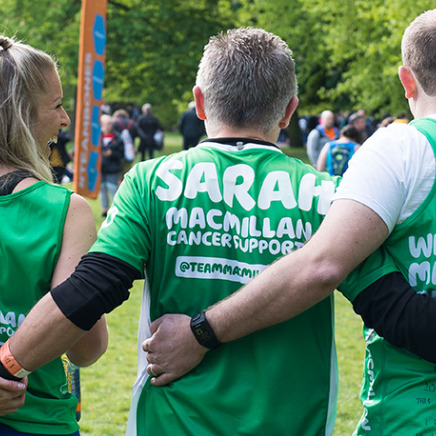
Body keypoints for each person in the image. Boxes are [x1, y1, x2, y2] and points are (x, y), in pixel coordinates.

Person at [0, 22, 433, 436]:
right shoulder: (330, 197)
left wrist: (8, 365)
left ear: (200, 102)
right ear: (288, 112)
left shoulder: (151, 182)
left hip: (170, 422)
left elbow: (90, 289)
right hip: (291, 422)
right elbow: (393, 310)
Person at [140, 9, 436, 436]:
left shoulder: (401, 148)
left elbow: (323, 266)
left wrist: (200, 333)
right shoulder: (322, 189)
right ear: (289, 111)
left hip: (414, 416)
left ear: (406, 80)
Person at [0, 35, 108, 435]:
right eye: (58, 105)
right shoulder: (65, 210)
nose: (65, 120)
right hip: (36, 421)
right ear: (21, 114)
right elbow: (87, 347)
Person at [99, 114, 125, 217]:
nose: (109, 126)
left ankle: (115, 209)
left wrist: (112, 154)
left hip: (113, 168)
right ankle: (104, 209)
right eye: (107, 124)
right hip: (101, 167)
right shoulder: (97, 137)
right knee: (102, 189)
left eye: (110, 123)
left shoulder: (117, 137)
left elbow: (122, 154)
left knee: (112, 188)